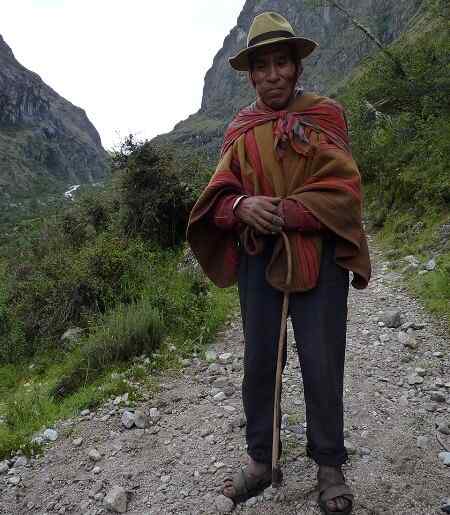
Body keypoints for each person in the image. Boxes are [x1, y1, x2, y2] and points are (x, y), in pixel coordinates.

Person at [187, 11, 371, 515]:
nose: (272, 74)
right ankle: (262, 460)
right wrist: (242, 207)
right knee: (260, 359)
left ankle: (329, 466)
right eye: (262, 66)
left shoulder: (326, 118)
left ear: (296, 67)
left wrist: (288, 210)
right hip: (257, 259)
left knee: (321, 357)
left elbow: (344, 192)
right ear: (250, 76)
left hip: (321, 257)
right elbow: (217, 199)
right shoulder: (241, 130)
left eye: (281, 63)